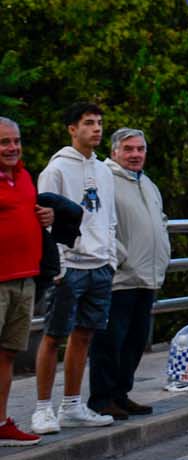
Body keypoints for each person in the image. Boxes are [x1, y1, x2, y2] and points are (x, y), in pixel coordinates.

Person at [32, 102, 117, 434]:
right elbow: (45, 219)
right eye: (88, 123)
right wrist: (59, 264)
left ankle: (71, 405)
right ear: (72, 129)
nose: (96, 129)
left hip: (100, 264)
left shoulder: (104, 170)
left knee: (84, 335)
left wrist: (110, 258)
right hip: (69, 265)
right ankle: (42, 408)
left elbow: (109, 217)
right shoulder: (56, 169)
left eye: (99, 123)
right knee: (54, 336)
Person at [89, 128, 170, 419]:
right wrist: (119, 258)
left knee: (135, 341)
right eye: (128, 149)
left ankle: (120, 394)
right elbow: (96, 222)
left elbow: (159, 220)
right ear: (114, 152)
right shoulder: (105, 179)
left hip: (147, 276)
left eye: (140, 149)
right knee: (110, 341)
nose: (135, 154)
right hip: (120, 278)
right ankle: (101, 398)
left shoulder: (147, 183)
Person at [0, 118, 53, 446]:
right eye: (4, 142)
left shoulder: (23, 177)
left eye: (16, 141)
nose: (12, 148)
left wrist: (46, 216)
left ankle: (1, 422)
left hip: (24, 277)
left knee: (7, 353)